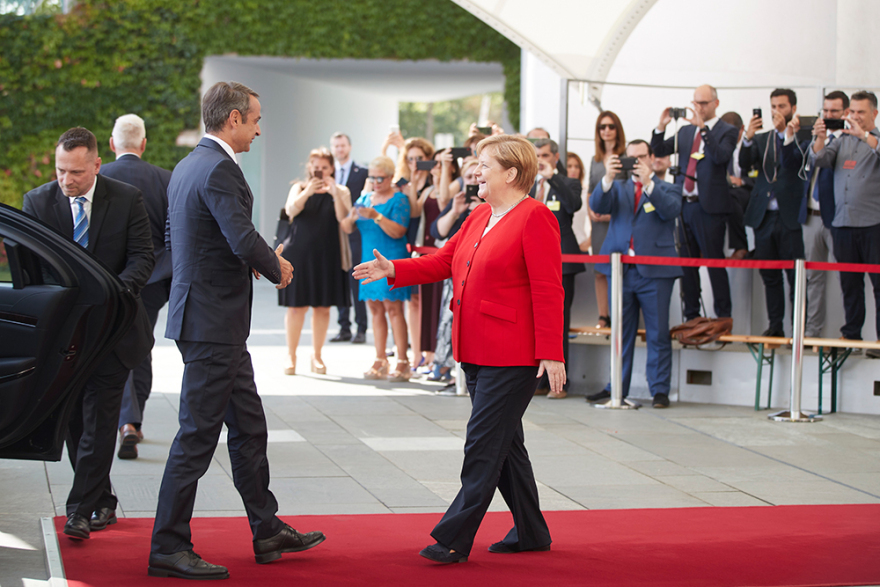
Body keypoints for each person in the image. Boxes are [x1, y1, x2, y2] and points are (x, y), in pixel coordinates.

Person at [353, 134, 564, 564]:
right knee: (506, 446)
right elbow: (445, 261)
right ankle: (532, 531)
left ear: (511, 172)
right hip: (476, 348)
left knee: (483, 444)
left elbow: (547, 289)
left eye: (483, 165)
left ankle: (455, 535)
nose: (474, 171)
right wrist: (394, 267)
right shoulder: (479, 214)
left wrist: (551, 351)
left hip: (513, 353)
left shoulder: (536, 217)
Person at [150, 82, 324, 580]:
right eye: (254, 120)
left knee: (248, 427)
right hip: (211, 325)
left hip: (210, 320)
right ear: (231, 119)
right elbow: (240, 234)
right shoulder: (220, 168)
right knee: (197, 436)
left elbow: (183, 237)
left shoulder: (189, 166)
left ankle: (267, 530)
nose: (258, 128)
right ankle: (166, 545)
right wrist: (276, 267)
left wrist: (227, 261)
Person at [23, 127, 154, 539]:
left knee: (99, 421)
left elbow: (142, 257)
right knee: (74, 422)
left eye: (76, 172)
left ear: (97, 164)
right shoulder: (38, 201)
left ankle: (78, 510)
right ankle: (104, 499)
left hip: (114, 330)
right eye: (61, 170)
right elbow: (31, 270)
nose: (67, 180)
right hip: (64, 335)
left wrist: (116, 292)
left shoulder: (126, 198)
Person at [587, 140, 683, 408]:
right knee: (621, 332)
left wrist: (649, 182)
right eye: (631, 158)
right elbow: (598, 206)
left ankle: (660, 390)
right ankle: (616, 386)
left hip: (656, 272)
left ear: (652, 158)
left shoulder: (668, 187)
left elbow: (671, 210)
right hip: (622, 272)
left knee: (658, 333)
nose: (636, 163)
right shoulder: (617, 187)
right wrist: (607, 176)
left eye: (641, 157)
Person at [99, 113, 172, 461]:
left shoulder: (96, 179)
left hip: (107, 282)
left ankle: (126, 421)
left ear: (112, 144)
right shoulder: (165, 180)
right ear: (143, 144)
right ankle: (132, 420)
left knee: (114, 345)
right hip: (154, 280)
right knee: (140, 345)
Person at [651, 85, 738, 327]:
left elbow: (721, 157)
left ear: (716, 104)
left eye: (704, 103)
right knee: (686, 263)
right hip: (684, 205)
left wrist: (703, 129)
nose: (699, 107)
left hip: (709, 207)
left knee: (713, 262)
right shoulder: (686, 132)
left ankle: (723, 316)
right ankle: (692, 315)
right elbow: (658, 150)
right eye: (696, 103)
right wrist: (662, 125)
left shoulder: (726, 130)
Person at [812, 90, 880, 356]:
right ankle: (851, 335)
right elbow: (818, 159)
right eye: (852, 112)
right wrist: (819, 137)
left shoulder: (873, 139)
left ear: (874, 114)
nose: (855, 117)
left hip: (874, 224)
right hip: (843, 225)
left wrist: (865, 136)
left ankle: (879, 342)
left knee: (878, 285)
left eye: (861, 112)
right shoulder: (841, 141)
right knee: (849, 285)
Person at [278, 147, 352, 375]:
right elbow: (290, 210)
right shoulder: (299, 187)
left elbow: (344, 218)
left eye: (324, 168)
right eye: (316, 167)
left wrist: (334, 193)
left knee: (323, 308)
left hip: (328, 255)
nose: (320, 171)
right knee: (295, 308)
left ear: (332, 169)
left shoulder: (341, 190)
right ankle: (291, 356)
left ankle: (317, 356)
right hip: (298, 254)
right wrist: (308, 192)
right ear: (310, 167)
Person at [741, 89, 808, 337]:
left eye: (782, 106)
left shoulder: (804, 136)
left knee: (795, 277)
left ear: (793, 108)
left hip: (790, 217)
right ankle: (775, 327)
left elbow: (794, 163)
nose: (776, 111)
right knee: (770, 275)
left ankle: (798, 329)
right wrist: (748, 138)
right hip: (764, 217)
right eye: (773, 106)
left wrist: (785, 134)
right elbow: (745, 163)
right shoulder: (762, 138)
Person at [341, 155, 412, 381]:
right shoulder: (364, 197)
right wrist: (352, 218)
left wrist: (377, 216)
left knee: (393, 308)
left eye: (380, 178)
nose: (376, 182)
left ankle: (402, 361)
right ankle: (380, 359)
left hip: (391, 257)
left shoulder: (399, 199)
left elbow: (399, 231)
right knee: (374, 309)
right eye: (372, 177)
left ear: (391, 177)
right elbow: (345, 226)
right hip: (367, 258)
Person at [531, 138, 584, 399]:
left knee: (558, 323)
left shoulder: (568, 181)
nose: (540, 159)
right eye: (536, 154)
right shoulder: (529, 184)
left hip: (562, 263)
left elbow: (573, 205)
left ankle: (559, 384)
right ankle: (537, 382)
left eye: (544, 155)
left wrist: (552, 177)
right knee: (533, 323)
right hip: (532, 261)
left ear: (555, 156)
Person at [800, 91, 848, 338]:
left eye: (834, 112)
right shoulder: (816, 139)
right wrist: (818, 137)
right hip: (810, 217)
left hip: (837, 219)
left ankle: (850, 331)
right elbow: (810, 164)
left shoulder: (851, 141)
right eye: (825, 111)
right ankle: (811, 331)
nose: (829, 116)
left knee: (847, 278)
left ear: (845, 114)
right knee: (812, 278)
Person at [428, 159, 480, 385]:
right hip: (454, 273)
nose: (472, 182)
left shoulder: (491, 205)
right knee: (448, 320)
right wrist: (455, 211)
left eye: (475, 177)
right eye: (467, 178)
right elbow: (437, 231)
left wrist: (479, 209)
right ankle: (447, 369)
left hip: (478, 275)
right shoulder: (456, 201)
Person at [397, 137, 435, 369]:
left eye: (419, 159)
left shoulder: (433, 182)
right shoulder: (401, 182)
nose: (414, 163)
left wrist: (414, 182)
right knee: (412, 300)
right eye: (410, 158)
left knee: (426, 299)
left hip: (427, 243)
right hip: (409, 242)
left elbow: (416, 209)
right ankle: (416, 352)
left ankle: (427, 351)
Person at [329, 132, 369, 344]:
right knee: (339, 280)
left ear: (349, 147)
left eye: (342, 145)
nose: (339, 149)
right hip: (334, 234)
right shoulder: (329, 174)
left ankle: (361, 327)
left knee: (357, 279)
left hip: (355, 233)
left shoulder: (362, 172)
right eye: (336, 146)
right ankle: (343, 326)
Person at [589, 111, 627, 329]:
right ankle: (603, 316)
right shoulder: (595, 159)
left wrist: (611, 214)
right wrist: (592, 211)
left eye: (611, 126)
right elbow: (590, 190)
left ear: (617, 129)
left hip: (618, 220)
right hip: (598, 223)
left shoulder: (625, 157)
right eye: (602, 127)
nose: (606, 130)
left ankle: (619, 313)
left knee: (619, 270)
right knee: (600, 271)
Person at [720, 111, 751, 260]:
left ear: (742, 129)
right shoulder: (719, 148)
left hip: (747, 191)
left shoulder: (751, 145)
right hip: (723, 190)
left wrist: (742, 181)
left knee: (732, 198)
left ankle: (741, 246)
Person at [567, 151, 592, 253]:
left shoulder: (586, 193)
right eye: (569, 166)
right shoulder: (552, 191)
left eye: (577, 166)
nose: (573, 169)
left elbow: (594, 221)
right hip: (557, 247)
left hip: (580, 246)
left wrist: (588, 242)